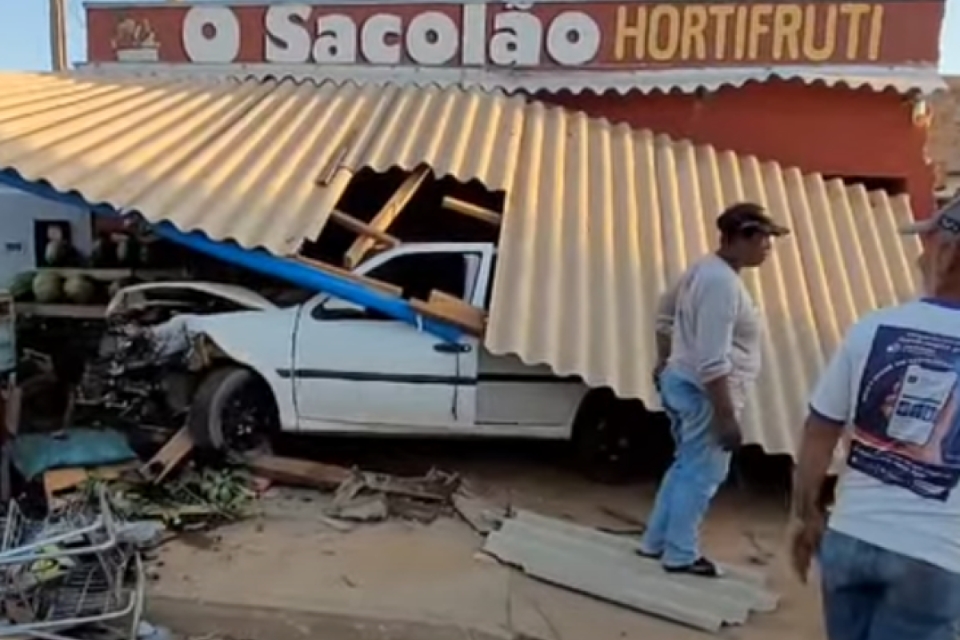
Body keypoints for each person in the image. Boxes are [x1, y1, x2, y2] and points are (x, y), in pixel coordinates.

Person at [791, 198, 960, 640]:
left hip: (851, 537)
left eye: (929, 241)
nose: (920, 254)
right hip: (933, 559)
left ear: (947, 253)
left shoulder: (872, 327)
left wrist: (805, 515)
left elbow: (820, 428)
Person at [638, 202, 789, 577]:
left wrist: (663, 361)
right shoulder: (721, 284)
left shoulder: (703, 269)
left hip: (682, 381)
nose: (769, 248)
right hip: (703, 392)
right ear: (741, 238)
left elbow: (663, 314)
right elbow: (712, 361)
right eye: (765, 240)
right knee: (702, 475)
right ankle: (680, 554)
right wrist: (726, 417)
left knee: (685, 465)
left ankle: (655, 541)